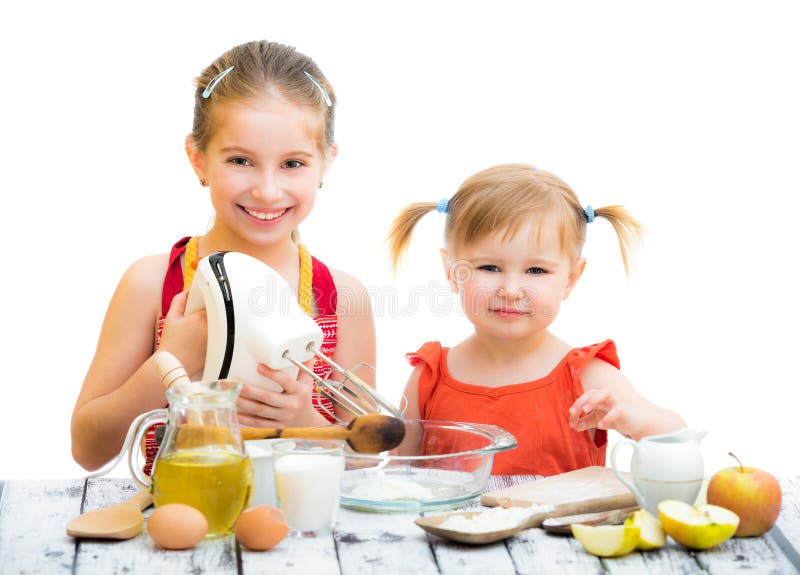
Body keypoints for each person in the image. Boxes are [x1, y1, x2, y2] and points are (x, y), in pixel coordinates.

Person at [71, 40, 376, 472]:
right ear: (198, 159)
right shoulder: (152, 284)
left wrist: (301, 419)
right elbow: (87, 448)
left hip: (304, 535)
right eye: (240, 160)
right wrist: (170, 365)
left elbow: (365, 463)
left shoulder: (344, 298)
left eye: (293, 164)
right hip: (183, 525)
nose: (267, 190)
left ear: (325, 163)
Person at [387, 163, 685, 475]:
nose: (512, 290)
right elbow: (398, 483)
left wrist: (633, 422)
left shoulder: (586, 377)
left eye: (536, 271)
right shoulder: (429, 379)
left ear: (571, 278)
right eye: (489, 268)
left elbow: (677, 437)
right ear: (451, 272)